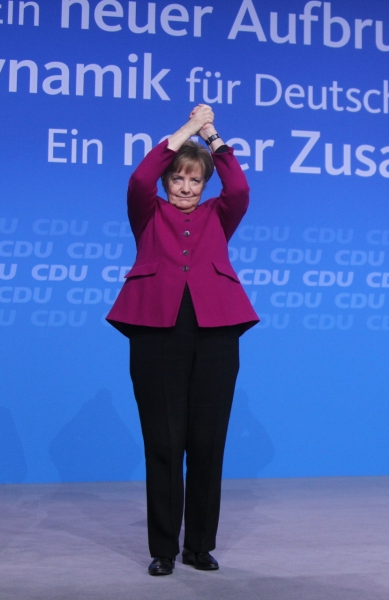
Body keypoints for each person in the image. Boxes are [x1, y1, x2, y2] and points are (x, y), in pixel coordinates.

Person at [106, 104, 258, 576]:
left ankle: (198, 546)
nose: (186, 187)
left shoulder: (219, 214)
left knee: (207, 444)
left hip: (216, 333)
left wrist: (212, 137)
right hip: (156, 333)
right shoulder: (148, 212)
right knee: (164, 443)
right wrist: (188, 128)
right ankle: (163, 550)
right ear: (167, 183)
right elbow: (138, 179)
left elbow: (239, 188)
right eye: (178, 179)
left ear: (204, 184)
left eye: (194, 180)